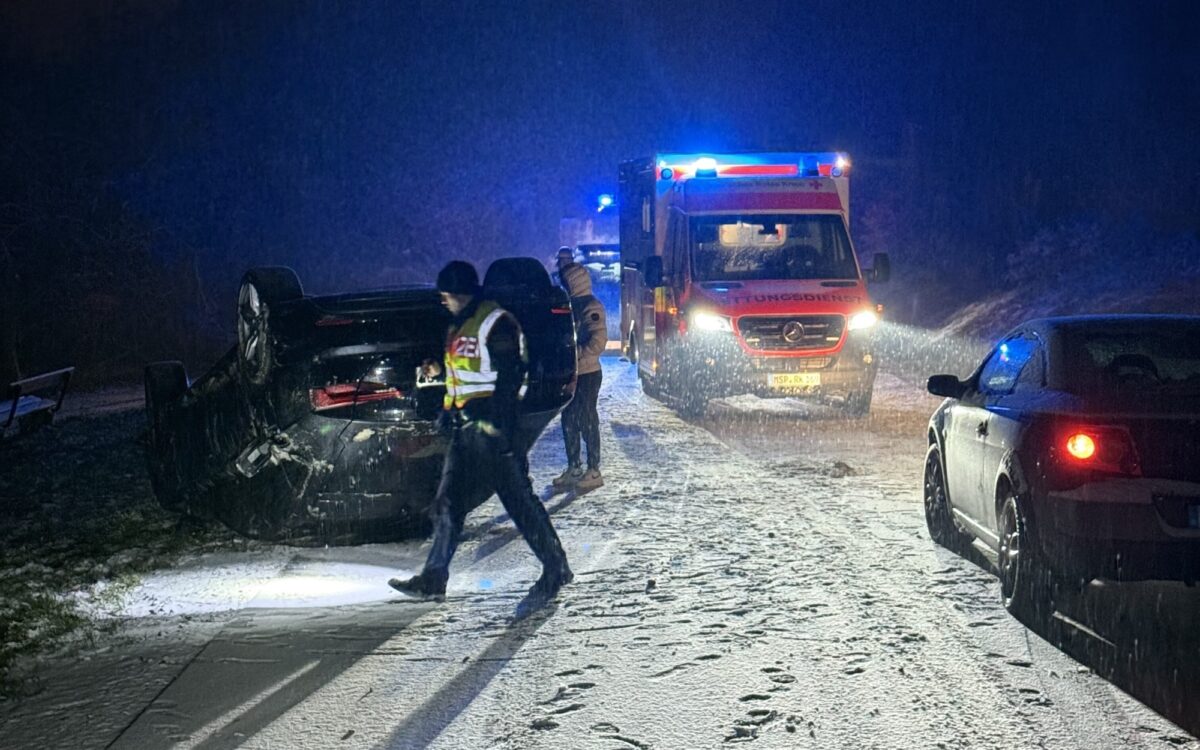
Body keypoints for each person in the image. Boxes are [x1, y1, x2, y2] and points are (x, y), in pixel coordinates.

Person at [389, 260, 573, 603]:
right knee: (448, 503)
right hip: (465, 429)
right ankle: (433, 578)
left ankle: (556, 566)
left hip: (494, 431)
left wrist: (494, 416)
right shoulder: (459, 326)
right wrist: (440, 374)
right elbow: (466, 371)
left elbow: (513, 374)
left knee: (519, 502)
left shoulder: (495, 321)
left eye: (447, 295)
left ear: (460, 293)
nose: (443, 301)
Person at [552, 263, 607, 491]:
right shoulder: (572, 306)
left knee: (586, 420)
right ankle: (574, 466)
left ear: (574, 282)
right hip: (574, 373)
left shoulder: (590, 307)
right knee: (569, 421)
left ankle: (593, 469)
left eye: (566, 282)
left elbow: (597, 341)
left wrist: (574, 357)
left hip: (587, 373)